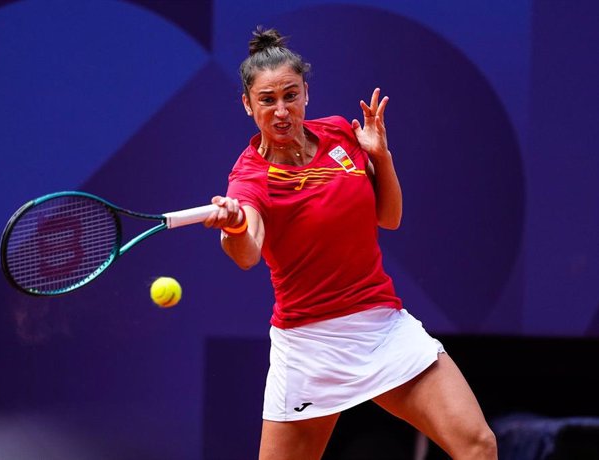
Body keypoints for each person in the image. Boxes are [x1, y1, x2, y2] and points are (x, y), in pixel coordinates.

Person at [204, 27, 498, 460]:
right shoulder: (249, 178)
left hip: (381, 328)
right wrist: (233, 226)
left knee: (478, 445)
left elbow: (388, 217)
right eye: (268, 100)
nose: (282, 110)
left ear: (306, 93)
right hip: (309, 346)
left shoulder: (341, 134)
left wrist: (381, 156)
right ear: (248, 105)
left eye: (291, 95)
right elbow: (248, 253)